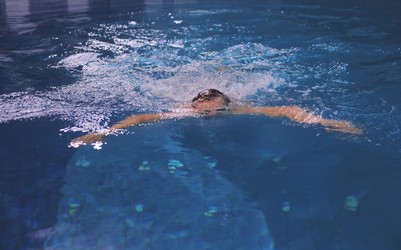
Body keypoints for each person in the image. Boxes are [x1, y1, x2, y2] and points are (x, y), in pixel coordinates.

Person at [71, 89, 362, 146]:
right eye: (202, 106)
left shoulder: (237, 108)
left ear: (225, 104)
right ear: (194, 107)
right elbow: (140, 117)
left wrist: (323, 122)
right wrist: (105, 132)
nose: (209, 113)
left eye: (215, 107)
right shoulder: (184, 111)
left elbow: (286, 110)